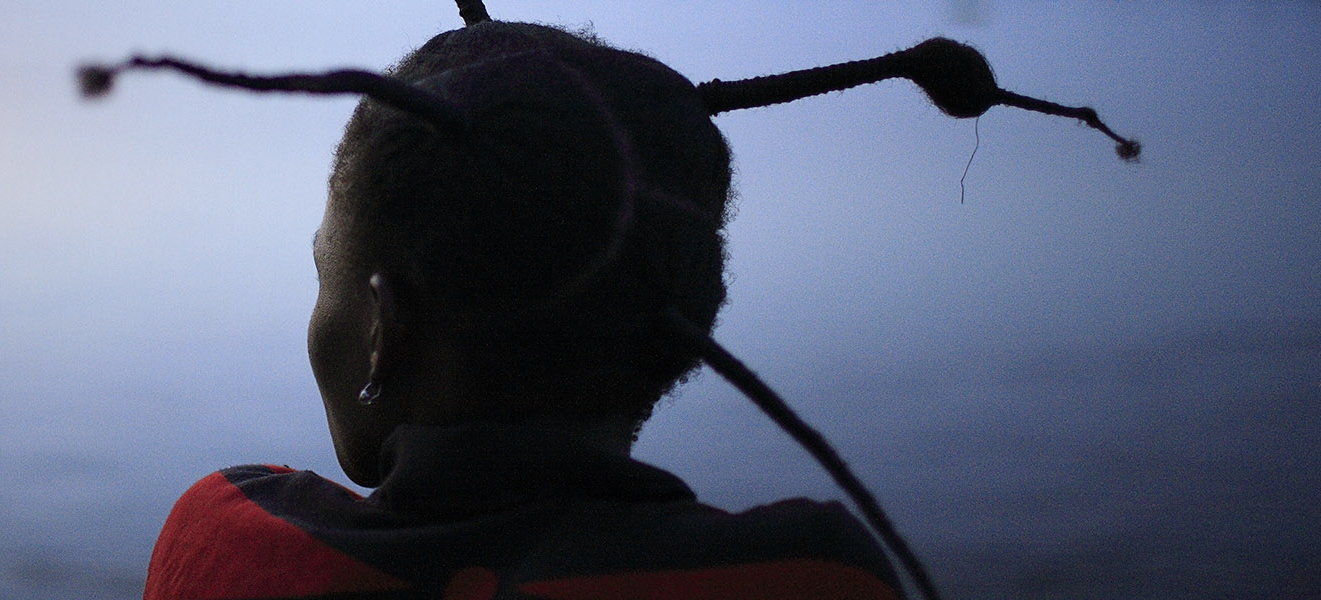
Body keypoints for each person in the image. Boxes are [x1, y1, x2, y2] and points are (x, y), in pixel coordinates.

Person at [79, 3, 1135, 599]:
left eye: (324, 274)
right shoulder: (810, 581)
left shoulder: (221, 541)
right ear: (683, 332)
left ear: (385, 327)